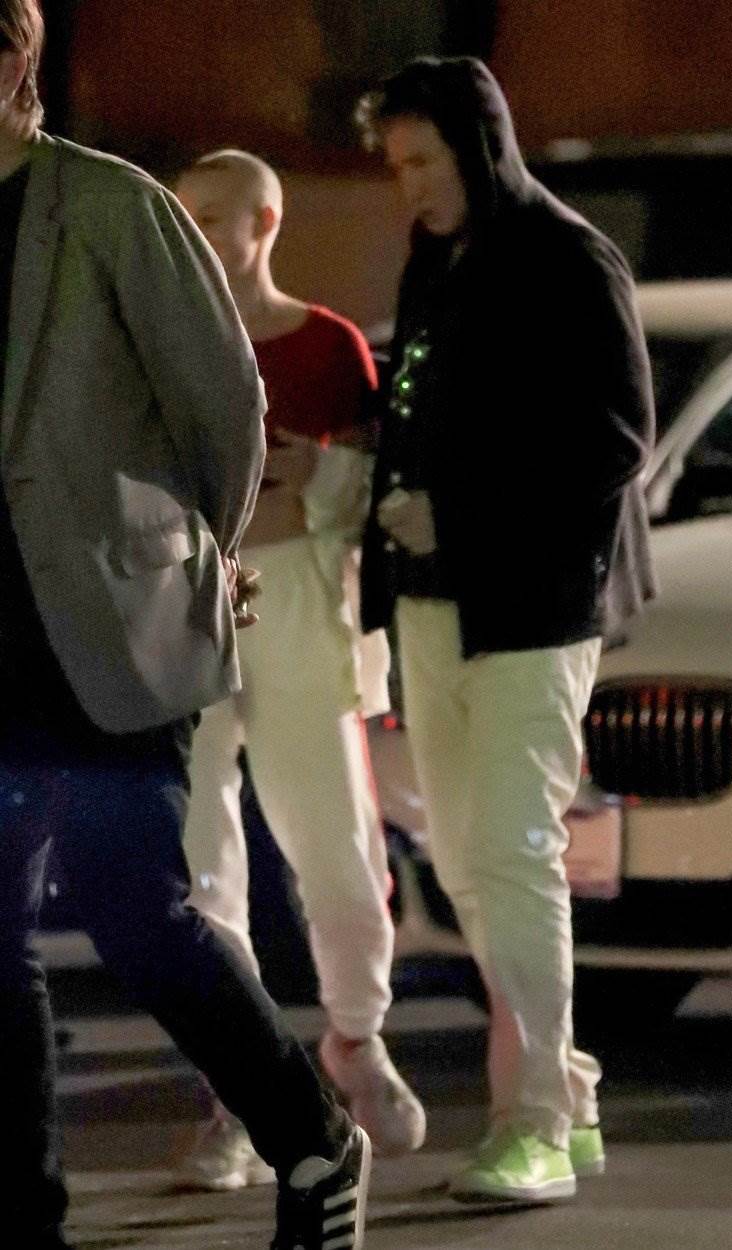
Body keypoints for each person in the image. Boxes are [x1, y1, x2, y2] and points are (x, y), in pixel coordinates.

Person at [0, 5, 370, 1248]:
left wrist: (188, 561)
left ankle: (310, 1133)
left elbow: (221, 406)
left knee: (138, 911)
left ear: (15, 58)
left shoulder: (110, 205)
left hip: (106, 627)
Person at [356, 55, 657, 1204]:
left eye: (423, 160)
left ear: (479, 146)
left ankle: (533, 1117)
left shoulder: (565, 255)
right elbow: (416, 412)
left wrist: (457, 510)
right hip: (438, 600)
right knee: (469, 858)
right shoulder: (440, 256)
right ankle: (559, 1092)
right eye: (395, 165)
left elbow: (616, 437)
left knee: (510, 852)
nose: (409, 185)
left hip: (532, 604)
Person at [172, 149, 425, 1188]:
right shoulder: (165, 338)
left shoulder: (325, 344)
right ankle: (233, 1089)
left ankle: (356, 1039)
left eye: (212, 216)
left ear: (264, 222)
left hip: (299, 610)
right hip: (186, 605)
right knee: (200, 856)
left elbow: (367, 487)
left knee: (335, 838)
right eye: (184, 215)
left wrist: (313, 476)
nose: (193, 233)